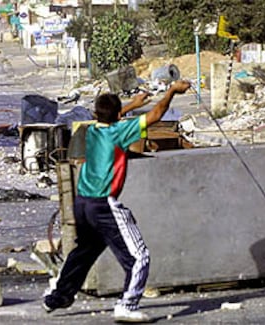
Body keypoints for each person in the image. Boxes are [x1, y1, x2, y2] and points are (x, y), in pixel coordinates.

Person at [43, 80, 191, 323]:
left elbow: (110, 117)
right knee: (139, 256)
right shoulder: (119, 132)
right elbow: (156, 114)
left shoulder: (91, 131)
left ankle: (58, 297)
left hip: (82, 202)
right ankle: (127, 304)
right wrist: (172, 91)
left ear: (95, 113)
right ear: (116, 114)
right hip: (104, 203)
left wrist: (132, 104)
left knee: (85, 251)